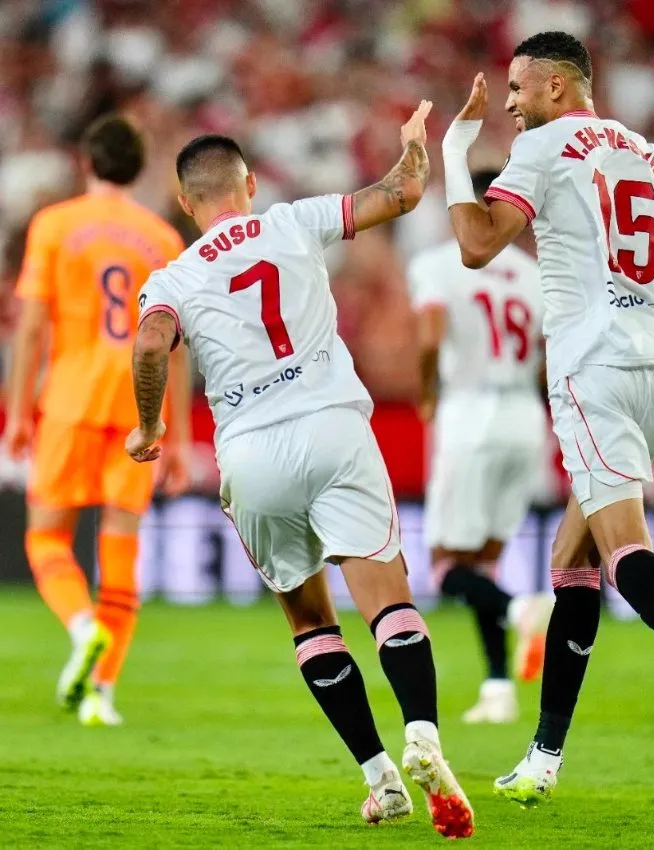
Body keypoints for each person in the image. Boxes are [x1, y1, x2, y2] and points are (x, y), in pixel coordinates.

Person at [123, 104, 474, 838]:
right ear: (249, 184)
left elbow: (151, 346)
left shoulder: (175, 277)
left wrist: (151, 425)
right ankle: (423, 734)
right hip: (334, 427)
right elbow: (402, 194)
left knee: (311, 621)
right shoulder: (293, 220)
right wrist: (413, 149)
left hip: (252, 453)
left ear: (185, 202)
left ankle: (380, 780)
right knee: (388, 600)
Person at [441, 31, 654, 803]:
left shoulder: (543, 147)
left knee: (622, 548)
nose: (509, 105)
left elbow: (477, 245)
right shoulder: (651, 154)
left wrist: (454, 152)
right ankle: (543, 758)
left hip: (595, 365)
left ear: (555, 86)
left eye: (517, 88)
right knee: (572, 556)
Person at [5, 114, 192, 727]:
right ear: (139, 169)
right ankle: (101, 694)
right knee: (120, 552)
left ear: (86, 162)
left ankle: (83, 627)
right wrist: (179, 436)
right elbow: (174, 347)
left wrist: (18, 411)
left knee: (45, 538)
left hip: (71, 399)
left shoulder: (54, 225)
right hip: (139, 408)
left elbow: (32, 326)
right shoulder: (162, 238)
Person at [408, 168, 551, 724]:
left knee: (446, 566)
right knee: (484, 562)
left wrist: (426, 393)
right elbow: (548, 355)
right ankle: (497, 689)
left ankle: (521, 609)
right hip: (524, 416)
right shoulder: (535, 276)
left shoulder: (439, 265)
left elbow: (429, 337)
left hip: (470, 413)